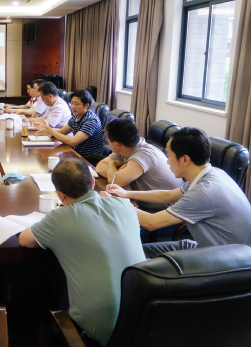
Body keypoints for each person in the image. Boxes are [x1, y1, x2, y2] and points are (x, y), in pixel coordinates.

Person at [19, 158, 145, 346]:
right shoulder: (125, 205)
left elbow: (24, 240)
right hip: (144, 321)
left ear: (59, 195)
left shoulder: (59, 218)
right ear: (93, 182)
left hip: (103, 334)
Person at [107, 127, 251, 257]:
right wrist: (126, 194)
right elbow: (169, 195)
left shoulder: (203, 193)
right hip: (208, 247)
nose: (167, 161)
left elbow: (151, 223)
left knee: (135, 257)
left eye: (169, 156)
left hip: (226, 261)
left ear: (185, 160)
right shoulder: (212, 174)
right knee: (140, 252)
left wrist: (117, 202)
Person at [96, 118, 183, 212]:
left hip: (165, 210)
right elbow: (100, 166)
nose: (107, 142)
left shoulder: (142, 155)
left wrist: (111, 164)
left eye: (108, 140)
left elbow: (115, 181)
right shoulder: (127, 148)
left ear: (117, 145)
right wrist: (115, 172)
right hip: (143, 201)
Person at [35, 89, 104, 156]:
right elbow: (62, 132)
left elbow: (72, 142)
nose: (73, 107)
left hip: (88, 157)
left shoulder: (91, 120)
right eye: (72, 103)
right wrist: (47, 130)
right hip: (76, 153)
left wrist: (51, 131)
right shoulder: (76, 117)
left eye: (76, 104)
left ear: (86, 106)